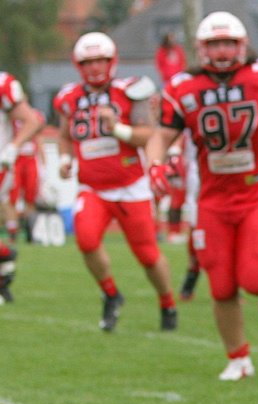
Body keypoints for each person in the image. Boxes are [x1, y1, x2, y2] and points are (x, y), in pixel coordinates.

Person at [146, 11, 258, 381]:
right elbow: (161, 135)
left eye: (228, 43)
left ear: (243, 45)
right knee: (221, 286)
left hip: (257, 195)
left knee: (254, 280)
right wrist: (155, 164)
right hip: (210, 201)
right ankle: (238, 358)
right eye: (214, 44)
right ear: (200, 48)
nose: (222, 51)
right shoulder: (182, 86)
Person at [53, 31, 178, 332]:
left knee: (147, 255)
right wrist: (65, 159)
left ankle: (167, 302)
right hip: (92, 187)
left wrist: (117, 128)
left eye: (100, 61)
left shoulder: (130, 91)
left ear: (112, 61)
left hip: (130, 186)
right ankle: (111, 294)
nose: (95, 67)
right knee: (86, 240)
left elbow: (148, 135)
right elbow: (64, 135)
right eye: (88, 62)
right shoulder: (69, 98)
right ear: (78, 65)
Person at [0, 66, 44, 287]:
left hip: (2, 162)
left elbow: (32, 121)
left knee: (19, 201)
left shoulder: (3, 85)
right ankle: (5, 256)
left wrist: (13, 147)